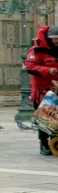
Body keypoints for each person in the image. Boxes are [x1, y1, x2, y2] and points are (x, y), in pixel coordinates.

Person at [25, 23, 58, 156]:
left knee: (56, 119)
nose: (57, 41)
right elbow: (30, 67)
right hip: (43, 92)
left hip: (57, 89)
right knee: (45, 119)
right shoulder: (37, 50)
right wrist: (47, 71)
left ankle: (54, 142)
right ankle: (44, 144)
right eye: (55, 39)